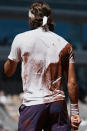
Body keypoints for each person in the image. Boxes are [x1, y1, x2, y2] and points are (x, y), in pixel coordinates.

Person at [4, 1, 81, 131]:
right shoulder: (65, 44)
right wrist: (74, 114)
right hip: (58, 106)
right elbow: (72, 83)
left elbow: (8, 72)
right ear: (49, 19)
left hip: (33, 106)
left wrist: (11, 59)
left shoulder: (20, 39)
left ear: (30, 18)